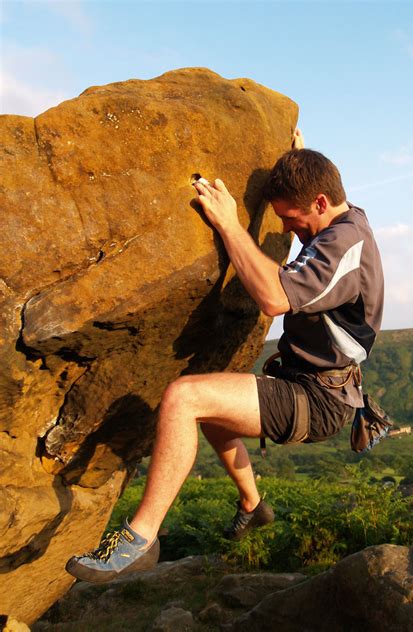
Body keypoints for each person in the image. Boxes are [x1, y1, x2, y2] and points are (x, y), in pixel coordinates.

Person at [66, 130, 384, 583]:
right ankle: (253, 506)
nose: (288, 229)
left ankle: (138, 540)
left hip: (317, 400)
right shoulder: (341, 216)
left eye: (292, 219)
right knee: (214, 409)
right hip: (305, 383)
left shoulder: (346, 245)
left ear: (318, 202)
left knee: (184, 398)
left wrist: (228, 223)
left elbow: (274, 298)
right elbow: (315, 200)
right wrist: (297, 156)